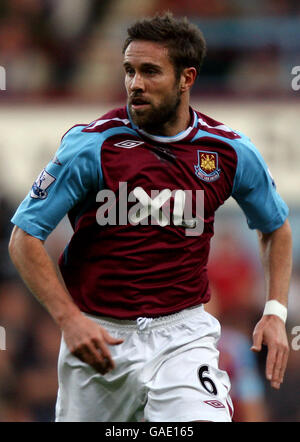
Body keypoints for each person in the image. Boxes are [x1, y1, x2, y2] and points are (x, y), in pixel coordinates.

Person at [8, 13, 292, 422]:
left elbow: (276, 227)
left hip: (183, 335)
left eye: (149, 72)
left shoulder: (228, 151)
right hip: (99, 336)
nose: (135, 84)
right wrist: (69, 320)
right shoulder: (91, 146)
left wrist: (276, 311)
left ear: (186, 78)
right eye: (129, 70)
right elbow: (24, 237)